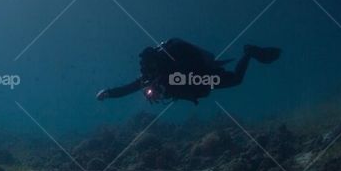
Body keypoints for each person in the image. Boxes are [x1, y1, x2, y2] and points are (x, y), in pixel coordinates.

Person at [96, 38, 280, 105]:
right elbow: (130, 88)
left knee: (236, 79)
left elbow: (191, 77)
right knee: (235, 79)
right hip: (196, 82)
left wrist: (168, 87)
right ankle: (249, 53)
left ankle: (249, 53)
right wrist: (109, 93)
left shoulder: (171, 69)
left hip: (201, 76)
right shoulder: (151, 75)